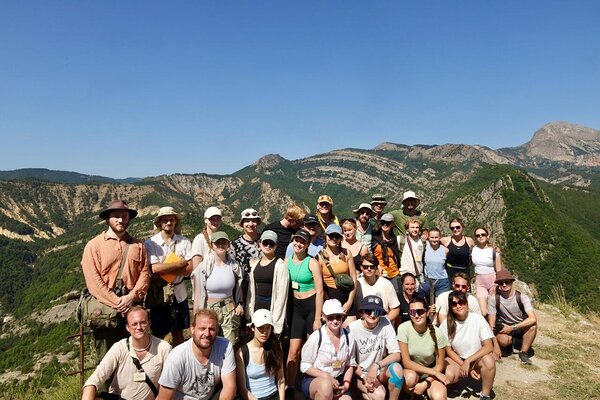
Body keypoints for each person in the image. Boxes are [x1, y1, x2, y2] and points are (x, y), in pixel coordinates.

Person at [81, 199, 149, 363]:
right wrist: (118, 302)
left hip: (132, 308)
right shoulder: (94, 246)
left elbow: (145, 273)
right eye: (116, 216)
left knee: (135, 356)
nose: (121, 220)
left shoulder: (138, 245)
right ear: (107, 219)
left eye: (124, 216)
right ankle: (106, 390)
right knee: (106, 360)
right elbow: (93, 281)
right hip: (106, 312)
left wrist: (131, 297)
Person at [82, 306, 171, 400]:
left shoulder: (163, 348)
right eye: (134, 324)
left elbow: (168, 385)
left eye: (143, 323)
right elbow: (93, 381)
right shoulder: (119, 348)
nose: (139, 327)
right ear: (127, 328)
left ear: (149, 323)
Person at [157, 309, 236, 400]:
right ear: (192, 329)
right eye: (202, 328)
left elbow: (230, 387)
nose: (207, 334)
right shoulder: (176, 357)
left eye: (211, 329)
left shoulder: (224, 346)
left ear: (217, 330)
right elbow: (164, 398)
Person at [144, 206, 193, 346]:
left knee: (179, 331)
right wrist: (179, 264)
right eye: (165, 220)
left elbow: (190, 268)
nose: (169, 223)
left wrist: (165, 267)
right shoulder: (150, 243)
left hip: (179, 293)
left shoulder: (184, 241)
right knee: (159, 333)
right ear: (159, 223)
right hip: (159, 294)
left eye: (171, 220)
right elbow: (155, 269)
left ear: (175, 222)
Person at [285, 229, 324, 396]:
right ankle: (289, 386)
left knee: (312, 351)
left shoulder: (312, 262)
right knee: (293, 352)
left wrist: (317, 318)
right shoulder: (286, 261)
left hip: (311, 307)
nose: (298, 244)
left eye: (302, 242)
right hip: (296, 308)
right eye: (296, 240)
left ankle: (312, 385)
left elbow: (320, 291)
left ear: (308, 245)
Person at [191, 232, 244, 346]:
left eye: (223, 242)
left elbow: (238, 289)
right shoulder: (203, 268)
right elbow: (198, 294)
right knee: (208, 342)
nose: (220, 245)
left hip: (229, 308)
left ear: (228, 245)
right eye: (217, 243)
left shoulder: (234, 266)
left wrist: (239, 303)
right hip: (209, 309)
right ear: (211, 245)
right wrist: (196, 317)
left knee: (231, 344)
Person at [441, 291, 496, 400]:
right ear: (450, 307)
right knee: (450, 374)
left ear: (467, 304)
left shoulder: (478, 319)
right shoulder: (446, 324)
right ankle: (457, 382)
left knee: (489, 361)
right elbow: (449, 350)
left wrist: (468, 361)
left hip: (476, 358)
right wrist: (464, 364)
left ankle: (485, 394)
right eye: (454, 304)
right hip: (458, 358)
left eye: (461, 302)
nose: (458, 306)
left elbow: (489, 346)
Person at [348, 296, 404, 400]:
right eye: (369, 311)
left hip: (379, 369)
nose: (373, 315)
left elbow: (396, 354)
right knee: (379, 395)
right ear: (363, 312)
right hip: (360, 373)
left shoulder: (385, 323)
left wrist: (376, 365)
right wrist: (364, 377)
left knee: (397, 369)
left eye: (377, 312)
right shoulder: (352, 328)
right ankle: (361, 392)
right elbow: (350, 361)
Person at [300, 299, 356, 400]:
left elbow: (350, 363)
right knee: (326, 387)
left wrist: (346, 384)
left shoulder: (349, 336)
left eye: (338, 317)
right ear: (323, 317)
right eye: (330, 317)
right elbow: (304, 365)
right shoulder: (316, 337)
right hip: (316, 379)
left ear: (342, 316)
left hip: (338, 380)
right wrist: (326, 377)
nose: (335, 321)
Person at [397, 298, 449, 400]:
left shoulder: (438, 333)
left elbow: (439, 365)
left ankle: (424, 389)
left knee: (440, 397)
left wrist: (426, 382)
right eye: (412, 312)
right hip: (412, 371)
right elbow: (406, 362)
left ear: (427, 312)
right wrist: (435, 373)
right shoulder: (403, 328)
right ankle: (411, 394)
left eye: (420, 311)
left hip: (430, 372)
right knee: (409, 379)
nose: (416, 315)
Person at [487, 270, 537, 365]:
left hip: (519, 326)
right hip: (504, 327)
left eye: (507, 282)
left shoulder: (522, 297)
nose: (504, 285)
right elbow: (491, 324)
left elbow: (532, 318)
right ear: (498, 284)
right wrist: (495, 345)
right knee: (504, 341)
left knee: (533, 325)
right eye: (501, 283)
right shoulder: (493, 299)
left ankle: (523, 352)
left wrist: (513, 327)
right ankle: (513, 343)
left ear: (512, 282)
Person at [245, 230, 290, 336]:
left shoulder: (280, 266)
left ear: (276, 245)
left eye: (272, 243)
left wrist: (276, 321)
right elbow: (251, 291)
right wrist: (249, 311)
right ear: (259, 243)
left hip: (272, 308)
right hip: (257, 307)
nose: (268, 246)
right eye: (265, 243)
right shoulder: (255, 265)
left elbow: (282, 295)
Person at [236, 309, 285, 400]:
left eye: (268, 327)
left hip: (274, 395)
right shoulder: (242, 352)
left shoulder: (276, 347)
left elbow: (281, 379)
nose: (265, 332)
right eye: (261, 328)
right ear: (253, 328)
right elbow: (242, 389)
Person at [319, 224, 358, 326]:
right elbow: (319, 284)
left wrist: (349, 302)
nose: (334, 239)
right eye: (331, 236)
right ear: (325, 237)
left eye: (337, 236)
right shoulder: (319, 257)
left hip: (346, 295)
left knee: (351, 331)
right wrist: (328, 302)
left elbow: (354, 278)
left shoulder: (346, 253)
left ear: (341, 238)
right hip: (329, 296)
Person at [355, 253, 400, 323]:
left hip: (382, 321)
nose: (369, 269)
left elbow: (395, 309)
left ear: (376, 267)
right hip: (363, 323)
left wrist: (383, 322)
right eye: (366, 267)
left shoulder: (386, 283)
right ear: (361, 267)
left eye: (372, 267)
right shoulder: (357, 284)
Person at [232, 208, 263, 301]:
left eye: (253, 221)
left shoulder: (265, 241)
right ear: (242, 224)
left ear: (257, 223)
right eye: (247, 221)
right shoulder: (235, 245)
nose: (250, 224)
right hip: (243, 291)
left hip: (262, 288)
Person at [471, 227, 503, 316]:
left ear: (487, 236)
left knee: (493, 310)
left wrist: (497, 284)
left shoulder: (494, 252)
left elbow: (499, 270)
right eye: (477, 235)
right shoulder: (472, 250)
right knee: (483, 312)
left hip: (492, 281)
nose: (480, 237)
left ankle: (494, 328)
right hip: (480, 283)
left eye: (483, 235)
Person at [371, 213, 402, 297]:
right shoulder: (374, 240)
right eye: (383, 222)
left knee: (397, 295)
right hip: (379, 273)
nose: (385, 225)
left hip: (394, 273)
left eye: (387, 223)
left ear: (392, 225)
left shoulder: (395, 240)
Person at [420, 228, 451, 302]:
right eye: (432, 237)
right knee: (426, 304)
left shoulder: (445, 250)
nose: (434, 240)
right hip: (428, 280)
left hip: (442, 281)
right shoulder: (425, 248)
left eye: (436, 237)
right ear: (428, 238)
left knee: (440, 304)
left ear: (440, 237)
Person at [398, 218, 424, 287]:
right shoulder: (401, 240)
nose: (415, 230)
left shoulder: (423, 242)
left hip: (418, 277)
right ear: (407, 229)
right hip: (405, 276)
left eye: (417, 227)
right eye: (412, 227)